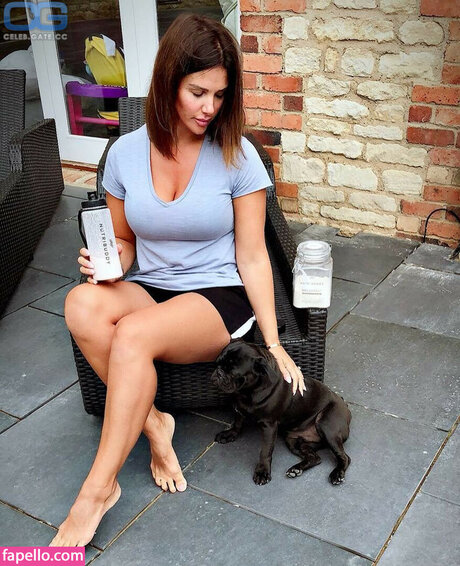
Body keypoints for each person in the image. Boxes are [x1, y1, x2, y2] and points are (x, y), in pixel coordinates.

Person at [50, 13, 305, 547]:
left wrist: (275, 341)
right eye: (197, 92)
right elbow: (124, 241)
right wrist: (106, 262)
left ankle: (96, 492)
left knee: (132, 334)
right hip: (153, 284)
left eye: (220, 95)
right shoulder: (123, 154)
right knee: (80, 305)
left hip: (216, 295)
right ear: (168, 82)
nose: (209, 108)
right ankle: (155, 425)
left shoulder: (237, 155)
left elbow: (253, 254)